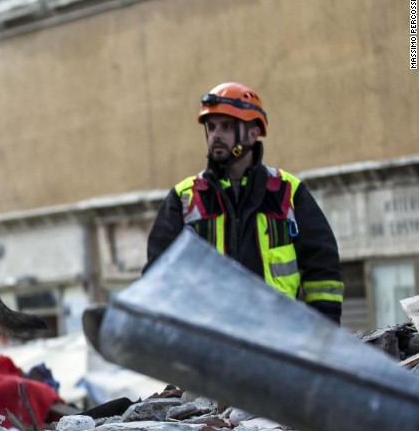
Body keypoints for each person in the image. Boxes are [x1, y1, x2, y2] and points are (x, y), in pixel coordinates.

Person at [145, 82, 344, 323]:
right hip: (210, 340)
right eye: (212, 127)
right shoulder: (185, 198)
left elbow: (323, 269)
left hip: (278, 339)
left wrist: (323, 335)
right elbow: (159, 276)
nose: (216, 135)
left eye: (227, 127)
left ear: (253, 133)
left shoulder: (288, 193)